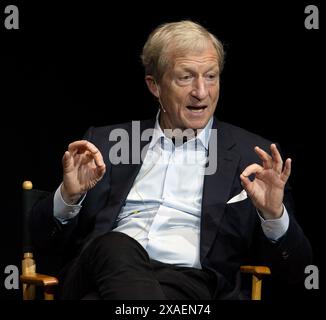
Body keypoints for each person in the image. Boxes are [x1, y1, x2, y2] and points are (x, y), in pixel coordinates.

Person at [31, 20, 312, 300]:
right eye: (186, 77)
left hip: (189, 285)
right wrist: (69, 197)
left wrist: (274, 216)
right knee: (115, 245)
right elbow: (40, 241)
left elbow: (297, 268)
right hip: (99, 269)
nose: (201, 92)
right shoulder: (106, 143)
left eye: (211, 76)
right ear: (155, 85)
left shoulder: (252, 155)